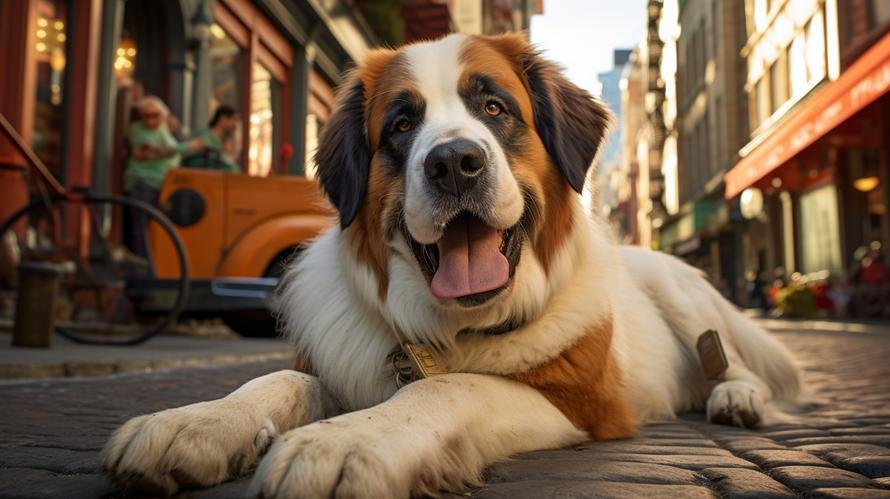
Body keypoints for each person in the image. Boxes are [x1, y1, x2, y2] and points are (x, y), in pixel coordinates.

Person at [125, 96, 203, 259]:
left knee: (159, 225)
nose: (151, 120)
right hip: (144, 182)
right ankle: (143, 263)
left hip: (163, 183)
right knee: (141, 227)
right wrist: (188, 148)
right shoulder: (137, 130)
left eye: (156, 115)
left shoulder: (163, 128)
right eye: (147, 116)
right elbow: (155, 151)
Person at [182, 105, 241, 172]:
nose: (236, 125)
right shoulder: (204, 136)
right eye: (234, 119)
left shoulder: (226, 141)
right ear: (223, 118)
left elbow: (231, 163)